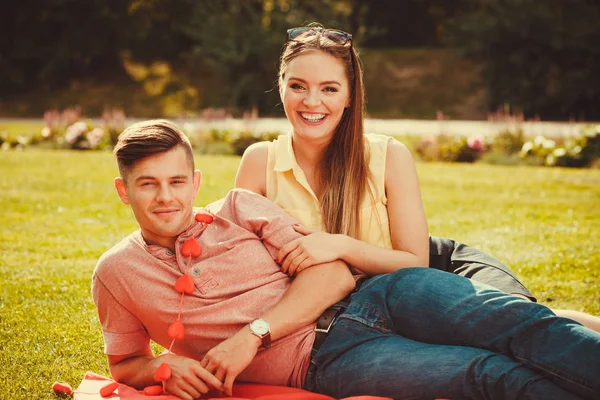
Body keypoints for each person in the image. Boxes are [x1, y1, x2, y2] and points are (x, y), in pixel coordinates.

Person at [92, 119, 600, 400]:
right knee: (488, 375)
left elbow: (333, 275)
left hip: (381, 295)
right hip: (326, 362)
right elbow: (128, 362)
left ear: (195, 182)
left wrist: (251, 336)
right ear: (123, 191)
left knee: (521, 324)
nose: (166, 198)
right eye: (148, 185)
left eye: (177, 181)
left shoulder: (240, 208)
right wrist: (161, 371)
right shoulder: (116, 273)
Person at [234, 24, 600, 332]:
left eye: (329, 88)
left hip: (436, 268)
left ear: (349, 96)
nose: (312, 101)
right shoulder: (259, 162)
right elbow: (238, 268)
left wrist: (339, 245)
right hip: (371, 307)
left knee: (527, 324)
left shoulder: (388, 154)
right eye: (298, 86)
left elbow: (416, 262)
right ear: (280, 86)